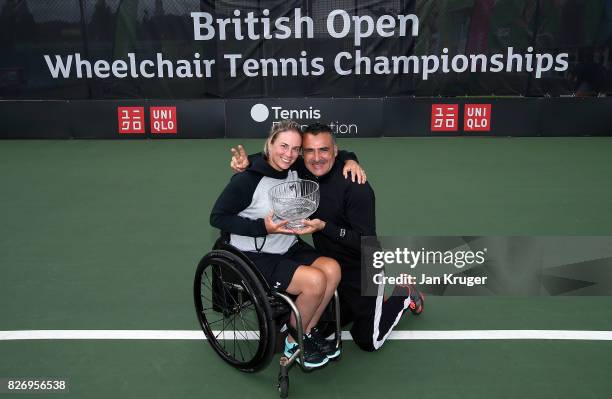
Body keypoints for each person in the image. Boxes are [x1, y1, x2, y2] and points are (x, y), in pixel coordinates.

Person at [230, 123, 424, 352]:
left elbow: (366, 243)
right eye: (309, 151)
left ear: (334, 151)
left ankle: (404, 293)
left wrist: (325, 228)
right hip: (329, 265)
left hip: (362, 268)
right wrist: (247, 163)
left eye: (324, 150)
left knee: (368, 341)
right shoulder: (302, 169)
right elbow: (277, 158)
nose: (316, 158)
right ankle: (357, 308)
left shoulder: (356, 187)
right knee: (318, 327)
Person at [210, 120, 345, 369]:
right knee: (315, 281)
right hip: (253, 255)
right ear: (270, 144)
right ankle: (294, 340)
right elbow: (217, 217)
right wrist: (263, 227)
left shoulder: (295, 170)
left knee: (333, 269)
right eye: (283, 146)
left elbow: (327, 153)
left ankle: (307, 330)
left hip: (286, 245)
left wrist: (352, 159)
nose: (289, 154)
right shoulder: (247, 180)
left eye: (295, 149)